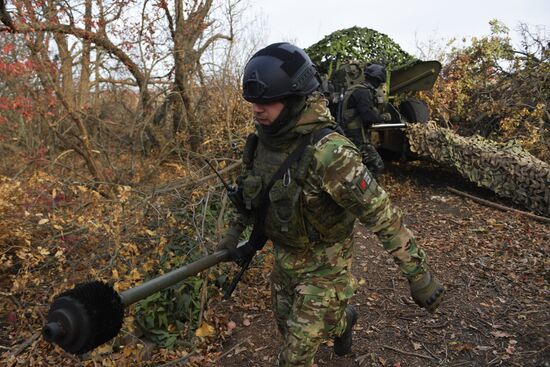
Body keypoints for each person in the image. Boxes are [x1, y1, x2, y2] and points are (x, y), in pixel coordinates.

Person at [218, 42, 445, 367]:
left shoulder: (330, 154)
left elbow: (382, 216)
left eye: (266, 101)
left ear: (295, 99)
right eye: (252, 101)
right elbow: (248, 194)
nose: (256, 109)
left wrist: (419, 275)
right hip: (285, 260)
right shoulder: (261, 143)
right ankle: (342, 321)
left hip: (325, 268)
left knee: (293, 357)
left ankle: (334, 314)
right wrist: (232, 233)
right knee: (286, 326)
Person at [340, 63, 392, 177]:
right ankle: (369, 193)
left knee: (358, 167)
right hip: (356, 137)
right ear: (377, 81)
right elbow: (367, 116)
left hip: (346, 134)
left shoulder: (355, 89)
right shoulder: (363, 92)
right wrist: (383, 117)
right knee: (376, 165)